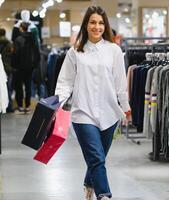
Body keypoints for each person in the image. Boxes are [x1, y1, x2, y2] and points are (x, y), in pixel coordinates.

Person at [55, 6, 131, 200]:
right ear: (86, 25)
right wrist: (57, 104)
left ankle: (89, 184)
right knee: (96, 157)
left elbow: (120, 83)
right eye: (92, 22)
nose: (97, 26)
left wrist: (125, 107)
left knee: (98, 158)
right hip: (83, 113)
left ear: (104, 25)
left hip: (109, 113)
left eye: (100, 22)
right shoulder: (75, 52)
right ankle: (104, 195)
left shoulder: (114, 50)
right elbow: (65, 82)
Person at [12, 22, 40, 114]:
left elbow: (16, 54)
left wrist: (14, 65)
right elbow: (37, 53)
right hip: (30, 68)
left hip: (19, 68)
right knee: (28, 87)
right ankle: (27, 106)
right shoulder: (32, 39)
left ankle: (20, 106)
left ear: (21, 28)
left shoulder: (18, 39)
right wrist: (34, 65)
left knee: (19, 87)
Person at [0, 28, 13, 112]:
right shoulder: (10, 43)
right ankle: (9, 107)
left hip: (1, 67)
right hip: (8, 68)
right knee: (8, 88)